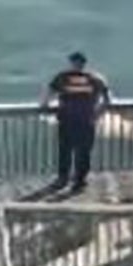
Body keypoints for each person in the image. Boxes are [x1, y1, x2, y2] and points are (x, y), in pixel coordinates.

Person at [41, 51, 111, 192]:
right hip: (87, 120)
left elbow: (49, 93)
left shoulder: (63, 77)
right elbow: (107, 99)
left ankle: (63, 178)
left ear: (72, 63)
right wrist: (97, 114)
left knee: (65, 150)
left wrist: (44, 106)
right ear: (84, 64)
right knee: (84, 151)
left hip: (67, 119)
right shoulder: (95, 78)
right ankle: (80, 180)